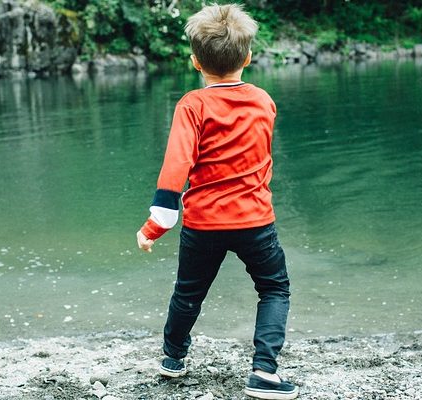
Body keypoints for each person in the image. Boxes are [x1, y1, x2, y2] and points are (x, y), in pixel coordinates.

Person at [135, 3, 298, 399]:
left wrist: (155, 226)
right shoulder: (263, 100)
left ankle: (173, 359)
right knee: (274, 289)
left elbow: (176, 167)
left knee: (188, 293)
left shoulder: (192, 105)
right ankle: (264, 371)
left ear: (195, 62)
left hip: (204, 223)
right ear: (248, 57)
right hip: (255, 220)